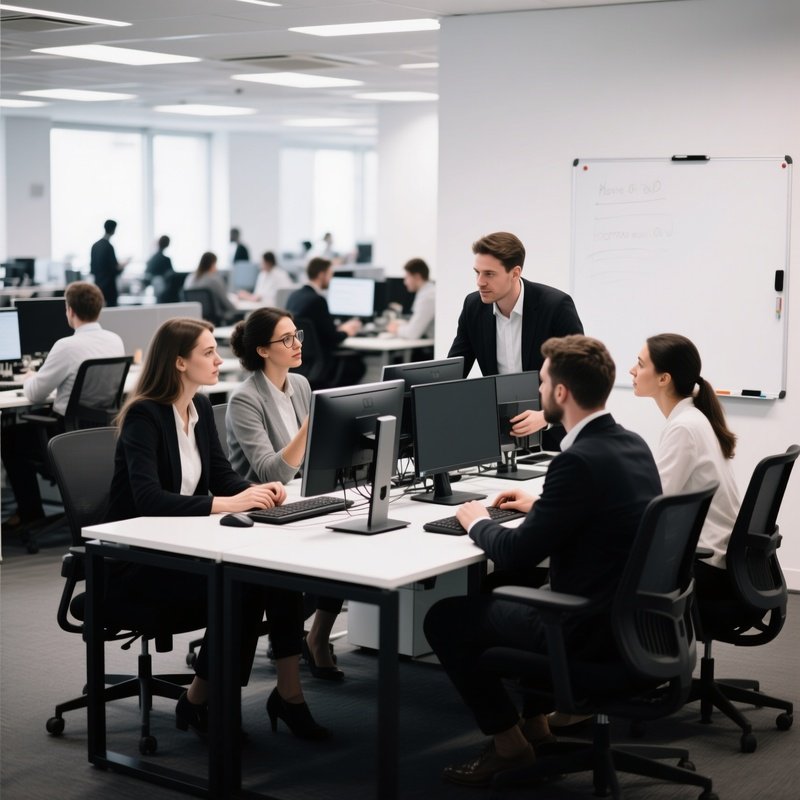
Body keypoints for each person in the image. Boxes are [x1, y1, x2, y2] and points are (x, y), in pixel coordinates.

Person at [424, 334, 661, 787]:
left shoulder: (577, 462)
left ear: (560, 393)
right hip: (636, 621)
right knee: (497, 589)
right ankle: (535, 724)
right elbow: (601, 514)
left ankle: (509, 746)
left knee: (446, 619)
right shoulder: (631, 444)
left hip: (586, 628)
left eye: (543, 381)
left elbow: (516, 550)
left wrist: (476, 521)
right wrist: (542, 505)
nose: (537, 390)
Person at [106, 317, 329, 740]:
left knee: (273, 574)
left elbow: (223, 476)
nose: (219, 359)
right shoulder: (144, 416)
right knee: (242, 587)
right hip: (134, 562)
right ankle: (201, 700)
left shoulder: (201, 407)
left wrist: (260, 491)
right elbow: (148, 500)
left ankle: (288, 694)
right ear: (178, 363)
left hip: (182, 546)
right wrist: (231, 502)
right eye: (208, 352)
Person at [226, 308, 345, 680]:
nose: (296, 345)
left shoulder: (301, 385)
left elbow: (315, 459)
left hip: (301, 499)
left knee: (350, 539)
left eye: (297, 336)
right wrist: (311, 427)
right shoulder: (244, 399)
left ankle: (318, 636)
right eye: (286, 339)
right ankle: (292, 648)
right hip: (263, 513)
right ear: (263, 350)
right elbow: (272, 472)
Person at [630, 333, 753, 632]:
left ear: (664, 379)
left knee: (608, 574)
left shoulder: (684, 427)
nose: (632, 370)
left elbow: (654, 507)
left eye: (640, 364)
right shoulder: (693, 419)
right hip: (724, 563)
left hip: (707, 567)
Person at [1, 282, 125, 529]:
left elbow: (36, 394)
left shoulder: (66, 346)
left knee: (8, 438)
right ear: (99, 308)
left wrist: (29, 378)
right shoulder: (115, 340)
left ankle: (31, 513)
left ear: (69, 310)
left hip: (63, 432)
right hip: (100, 433)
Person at [448, 232, 583, 447]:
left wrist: (546, 416)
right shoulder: (473, 307)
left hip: (553, 437)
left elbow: (580, 375)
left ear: (515, 272)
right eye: (477, 273)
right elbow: (454, 372)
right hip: (500, 436)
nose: (480, 282)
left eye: (489, 274)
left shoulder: (555, 306)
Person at [286, 257, 364, 388]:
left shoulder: (294, 296)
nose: (331, 279)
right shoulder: (318, 300)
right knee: (359, 365)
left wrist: (338, 328)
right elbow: (333, 338)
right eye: (330, 274)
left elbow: (318, 329)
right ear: (322, 275)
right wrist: (347, 331)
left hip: (299, 361)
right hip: (321, 363)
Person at [184, 251, 241, 325]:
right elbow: (225, 302)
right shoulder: (214, 279)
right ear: (212, 264)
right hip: (215, 319)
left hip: (195, 318)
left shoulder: (190, 278)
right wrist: (236, 310)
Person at [385, 258, 435, 340]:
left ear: (417, 277)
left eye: (407, 277)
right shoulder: (426, 292)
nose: (405, 282)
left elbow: (412, 334)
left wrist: (396, 328)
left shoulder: (428, 297)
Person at [90, 219, 129, 307]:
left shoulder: (95, 246)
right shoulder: (109, 247)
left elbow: (92, 268)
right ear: (114, 229)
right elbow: (114, 270)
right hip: (109, 288)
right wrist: (123, 266)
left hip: (98, 285)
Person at [144, 235, 179, 303]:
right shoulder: (165, 259)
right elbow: (171, 274)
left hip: (155, 290)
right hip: (161, 290)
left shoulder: (152, 258)